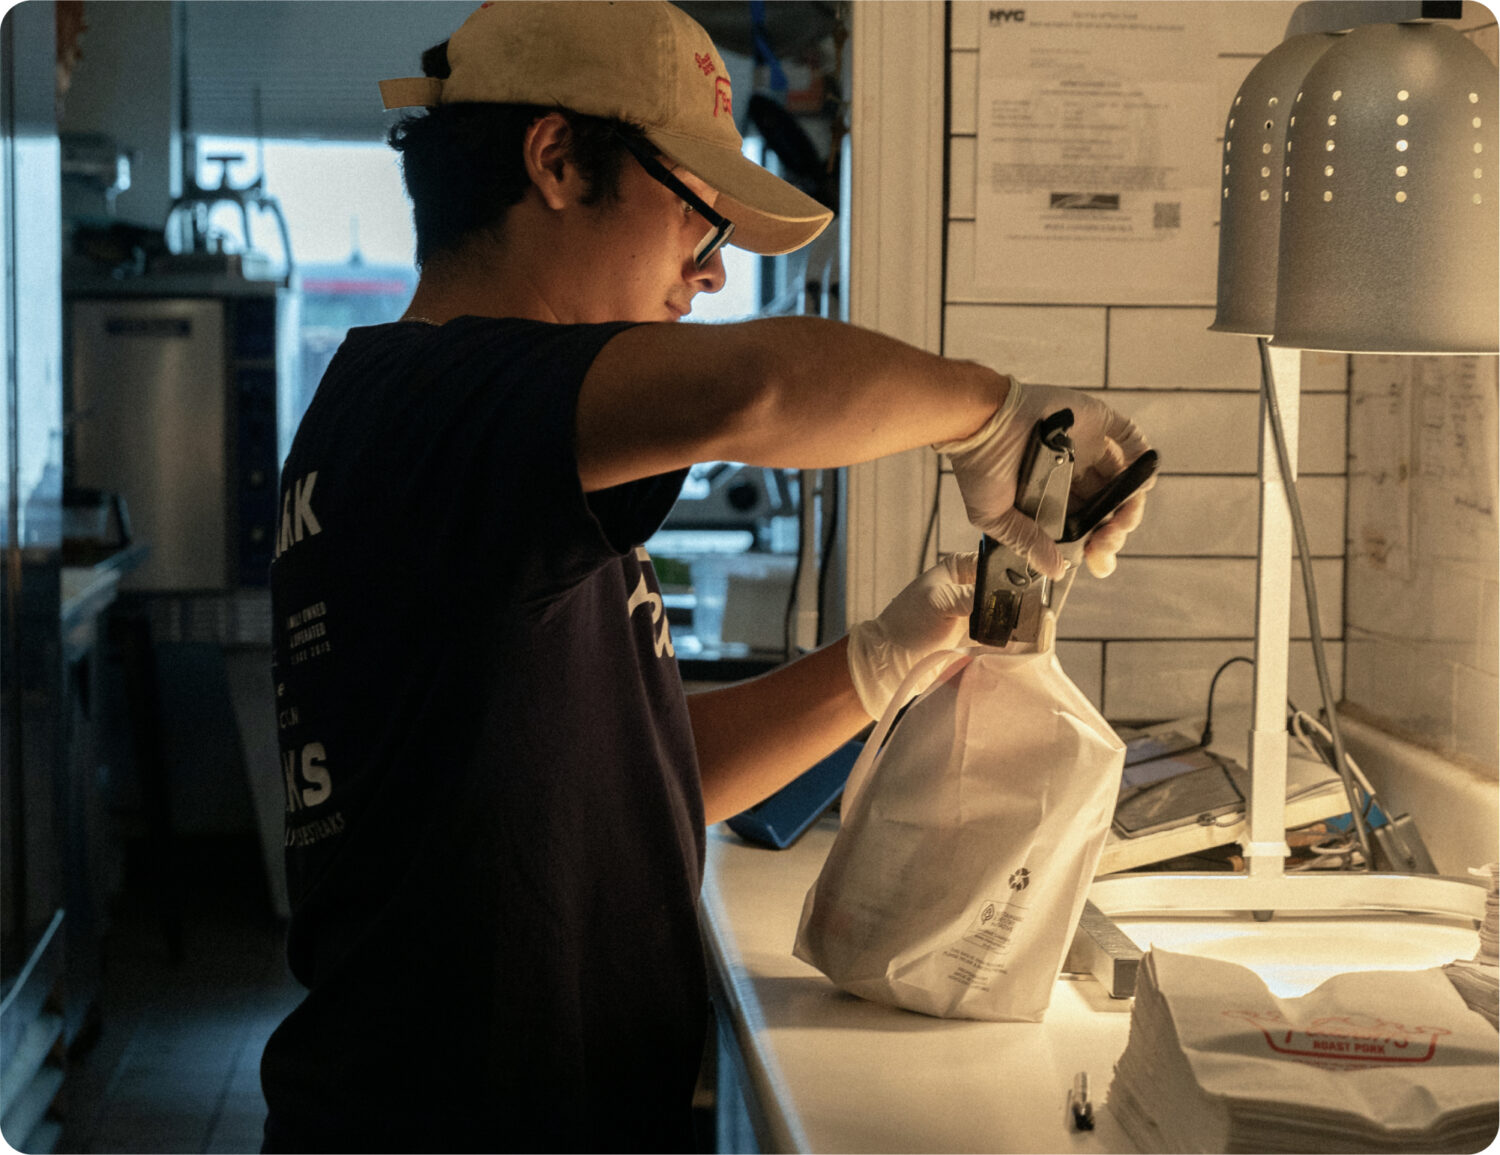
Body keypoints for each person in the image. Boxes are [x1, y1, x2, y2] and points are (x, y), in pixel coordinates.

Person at [261, 3, 1151, 1152]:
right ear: (557, 162)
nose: (710, 276)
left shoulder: (472, 440)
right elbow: (756, 390)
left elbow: (650, 773)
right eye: (694, 215)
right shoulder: (441, 399)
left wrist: (891, 654)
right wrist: (995, 418)